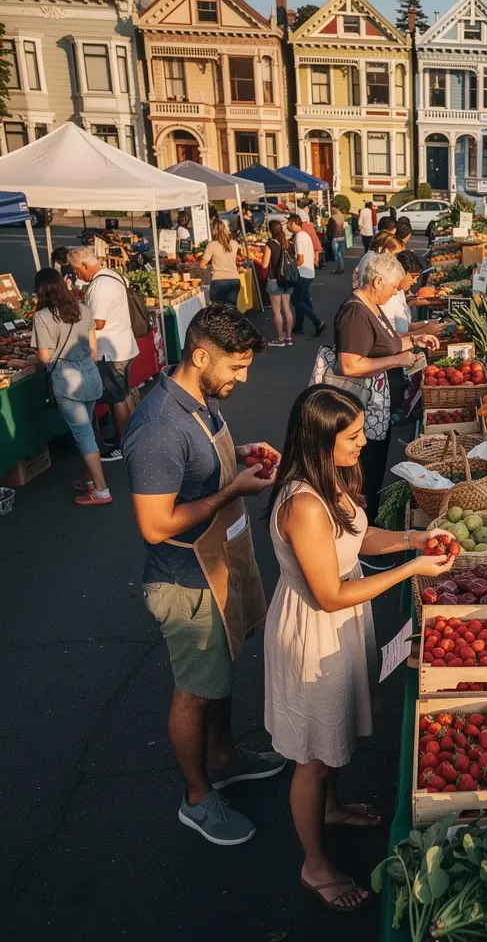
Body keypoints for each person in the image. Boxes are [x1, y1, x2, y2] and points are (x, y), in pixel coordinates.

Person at [265, 386, 456, 910]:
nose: (363, 441)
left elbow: (357, 535)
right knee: (311, 753)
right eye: (352, 436)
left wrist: (411, 541)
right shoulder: (304, 504)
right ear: (322, 441)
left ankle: (331, 807)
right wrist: (411, 571)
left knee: (334, 729)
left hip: (340, 621)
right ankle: (314, 864)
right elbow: (328, 594)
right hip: (316, 628)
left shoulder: (329, 483)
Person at [122, 305, 284, 845]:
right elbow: (155, 524)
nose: (242, 379)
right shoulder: (158, 428)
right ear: (200, 356)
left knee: (221, 670)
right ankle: (197, 797)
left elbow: (197, 465)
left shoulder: (199, 401)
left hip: (218, 563)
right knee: (194, 690)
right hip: (186, 580)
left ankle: (225, 756)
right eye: (236, 368)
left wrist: (237, 456)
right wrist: (233, 489)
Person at [333, 252, 439, 525]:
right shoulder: (355, 312)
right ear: (378, 281)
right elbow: (349, 365)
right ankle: (358, 532)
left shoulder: (372, 306)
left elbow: (389, 341)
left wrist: (417, 339)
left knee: (374, 468)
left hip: (376, 407)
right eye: (393, 287)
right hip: (361, 407)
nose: (395, 294)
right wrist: (395, 360)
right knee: (362, 472)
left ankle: (367, 525)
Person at [31, 269, 110, 506]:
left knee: (83, 433)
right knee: (88, 428)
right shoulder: (83, 309)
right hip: (89, 373)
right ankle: (89, 480)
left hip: (67, 379)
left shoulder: (42, 317)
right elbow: (94, 350)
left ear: (41, 290)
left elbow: (44, 358)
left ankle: (101, 490)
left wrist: (30, 359)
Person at [67, 246, 139, 460]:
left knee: (115, 398)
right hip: (124, 344)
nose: (76, 275)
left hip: (110, 350)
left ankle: (123, 444)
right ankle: (131, 437)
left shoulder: (99, 285)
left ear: (85, 265)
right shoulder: (112, 275)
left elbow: (97, 322)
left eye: (76, 270)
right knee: (123, 394)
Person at [287, 215, 326, 337]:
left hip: (302, 274)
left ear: (293, 223)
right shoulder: (305, 235)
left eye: (288, 223)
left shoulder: (299, 238)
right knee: (304, 300)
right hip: (309, 272)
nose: (287, 226)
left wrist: (290, 266)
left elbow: (300, 259)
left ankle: (318, 322)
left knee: (296, 301)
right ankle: (299, 326)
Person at [261, 221, 294, 347]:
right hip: (287, 279)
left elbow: (264, 264)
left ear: (270, 230)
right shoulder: (288, 243)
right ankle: (289, 337)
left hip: (274, 279)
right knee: (287, 308)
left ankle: (280, 338)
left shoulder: (270, 244)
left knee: (276, 310)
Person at [200, 219, 242, 307]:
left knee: (218, 310)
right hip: (234, 279)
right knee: (232, 309)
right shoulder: (234, 243)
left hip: (218, 280)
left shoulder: (212, 245)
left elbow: (202, 264)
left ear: (213, 231)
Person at [327, 206, 348, 275]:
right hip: (342, 237)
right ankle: (341, 268)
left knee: (336, 254)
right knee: (340, 254)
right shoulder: (342, 216)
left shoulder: (332, 219)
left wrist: (329, 238)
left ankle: (339, 268)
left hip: (335, 238)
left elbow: (330, 230)